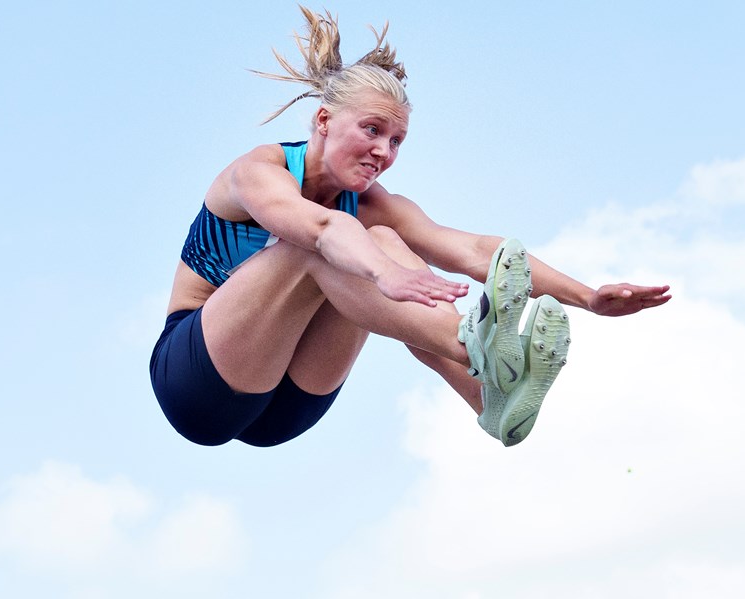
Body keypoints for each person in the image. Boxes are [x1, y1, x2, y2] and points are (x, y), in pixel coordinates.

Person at [149, 7, 671, 448]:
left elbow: (471, 250)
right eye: (372, 130)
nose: (384, 151)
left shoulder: (373, 204)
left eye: (397, 141)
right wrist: (384, 275)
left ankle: (488, 398)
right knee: (313, 248)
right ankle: (478, 352)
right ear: (325, 121)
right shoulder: (257, 174)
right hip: (199, 385)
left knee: (382, 238)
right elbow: (320, 228)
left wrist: (588, 297)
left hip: (289, 406)